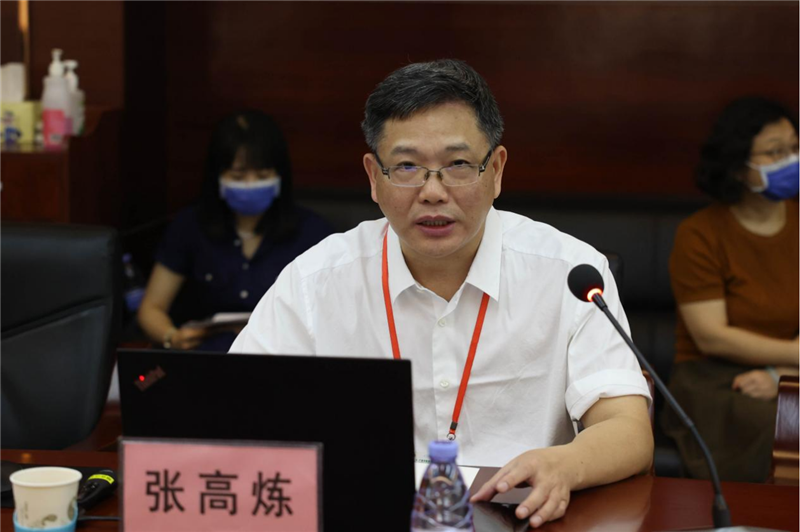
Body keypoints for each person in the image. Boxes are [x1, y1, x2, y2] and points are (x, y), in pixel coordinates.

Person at [231, 60, 653, 528]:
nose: (433, 192)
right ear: (374, 177)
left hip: (521, 518)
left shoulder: (569, 273)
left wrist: (565, 465)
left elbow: (627, 428)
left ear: (496, 170)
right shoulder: (315, 281)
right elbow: (235, 412)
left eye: (457, 165)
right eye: (407, 166)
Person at [664, 97, 799, 483]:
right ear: (739, 166)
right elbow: (712, 336)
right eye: (775, 152)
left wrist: (782, 372)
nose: (790, 160)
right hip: (717, 382)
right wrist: (792, 359)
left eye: (794, 147)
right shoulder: (700, 234)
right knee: (789, 426)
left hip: (790, 371)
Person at [138, 110, 333, 352]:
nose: (250, 185)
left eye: (262, 175)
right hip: (205, 358)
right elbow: (151, 308)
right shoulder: (189, 226)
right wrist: (172, 337)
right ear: (218, 176)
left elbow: (333, 315)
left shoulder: (313, 232)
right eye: (238, 175)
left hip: (282, 360)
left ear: (280, 176)